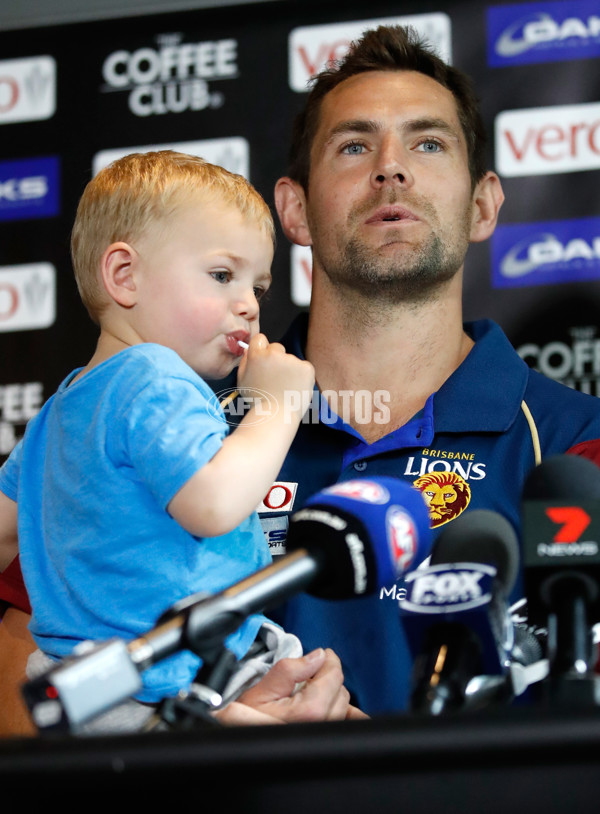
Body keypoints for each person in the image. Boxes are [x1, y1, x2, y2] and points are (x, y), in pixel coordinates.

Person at [255, 23, 600, 715]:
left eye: (428, 142)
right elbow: (25, 695)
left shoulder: (576, 446)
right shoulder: (183, 429)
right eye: (355, 145)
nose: (391, 167)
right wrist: (207, 740)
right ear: (294, 210)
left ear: (482, 205)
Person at [0, 149, 323, 734]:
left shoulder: (61, 408)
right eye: (223, 275)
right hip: (173, 681)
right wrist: (277, 405)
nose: (249, 305)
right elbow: (214, 506)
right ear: (124, 276)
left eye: (259, 286)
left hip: (83, 692)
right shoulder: (155, 373)